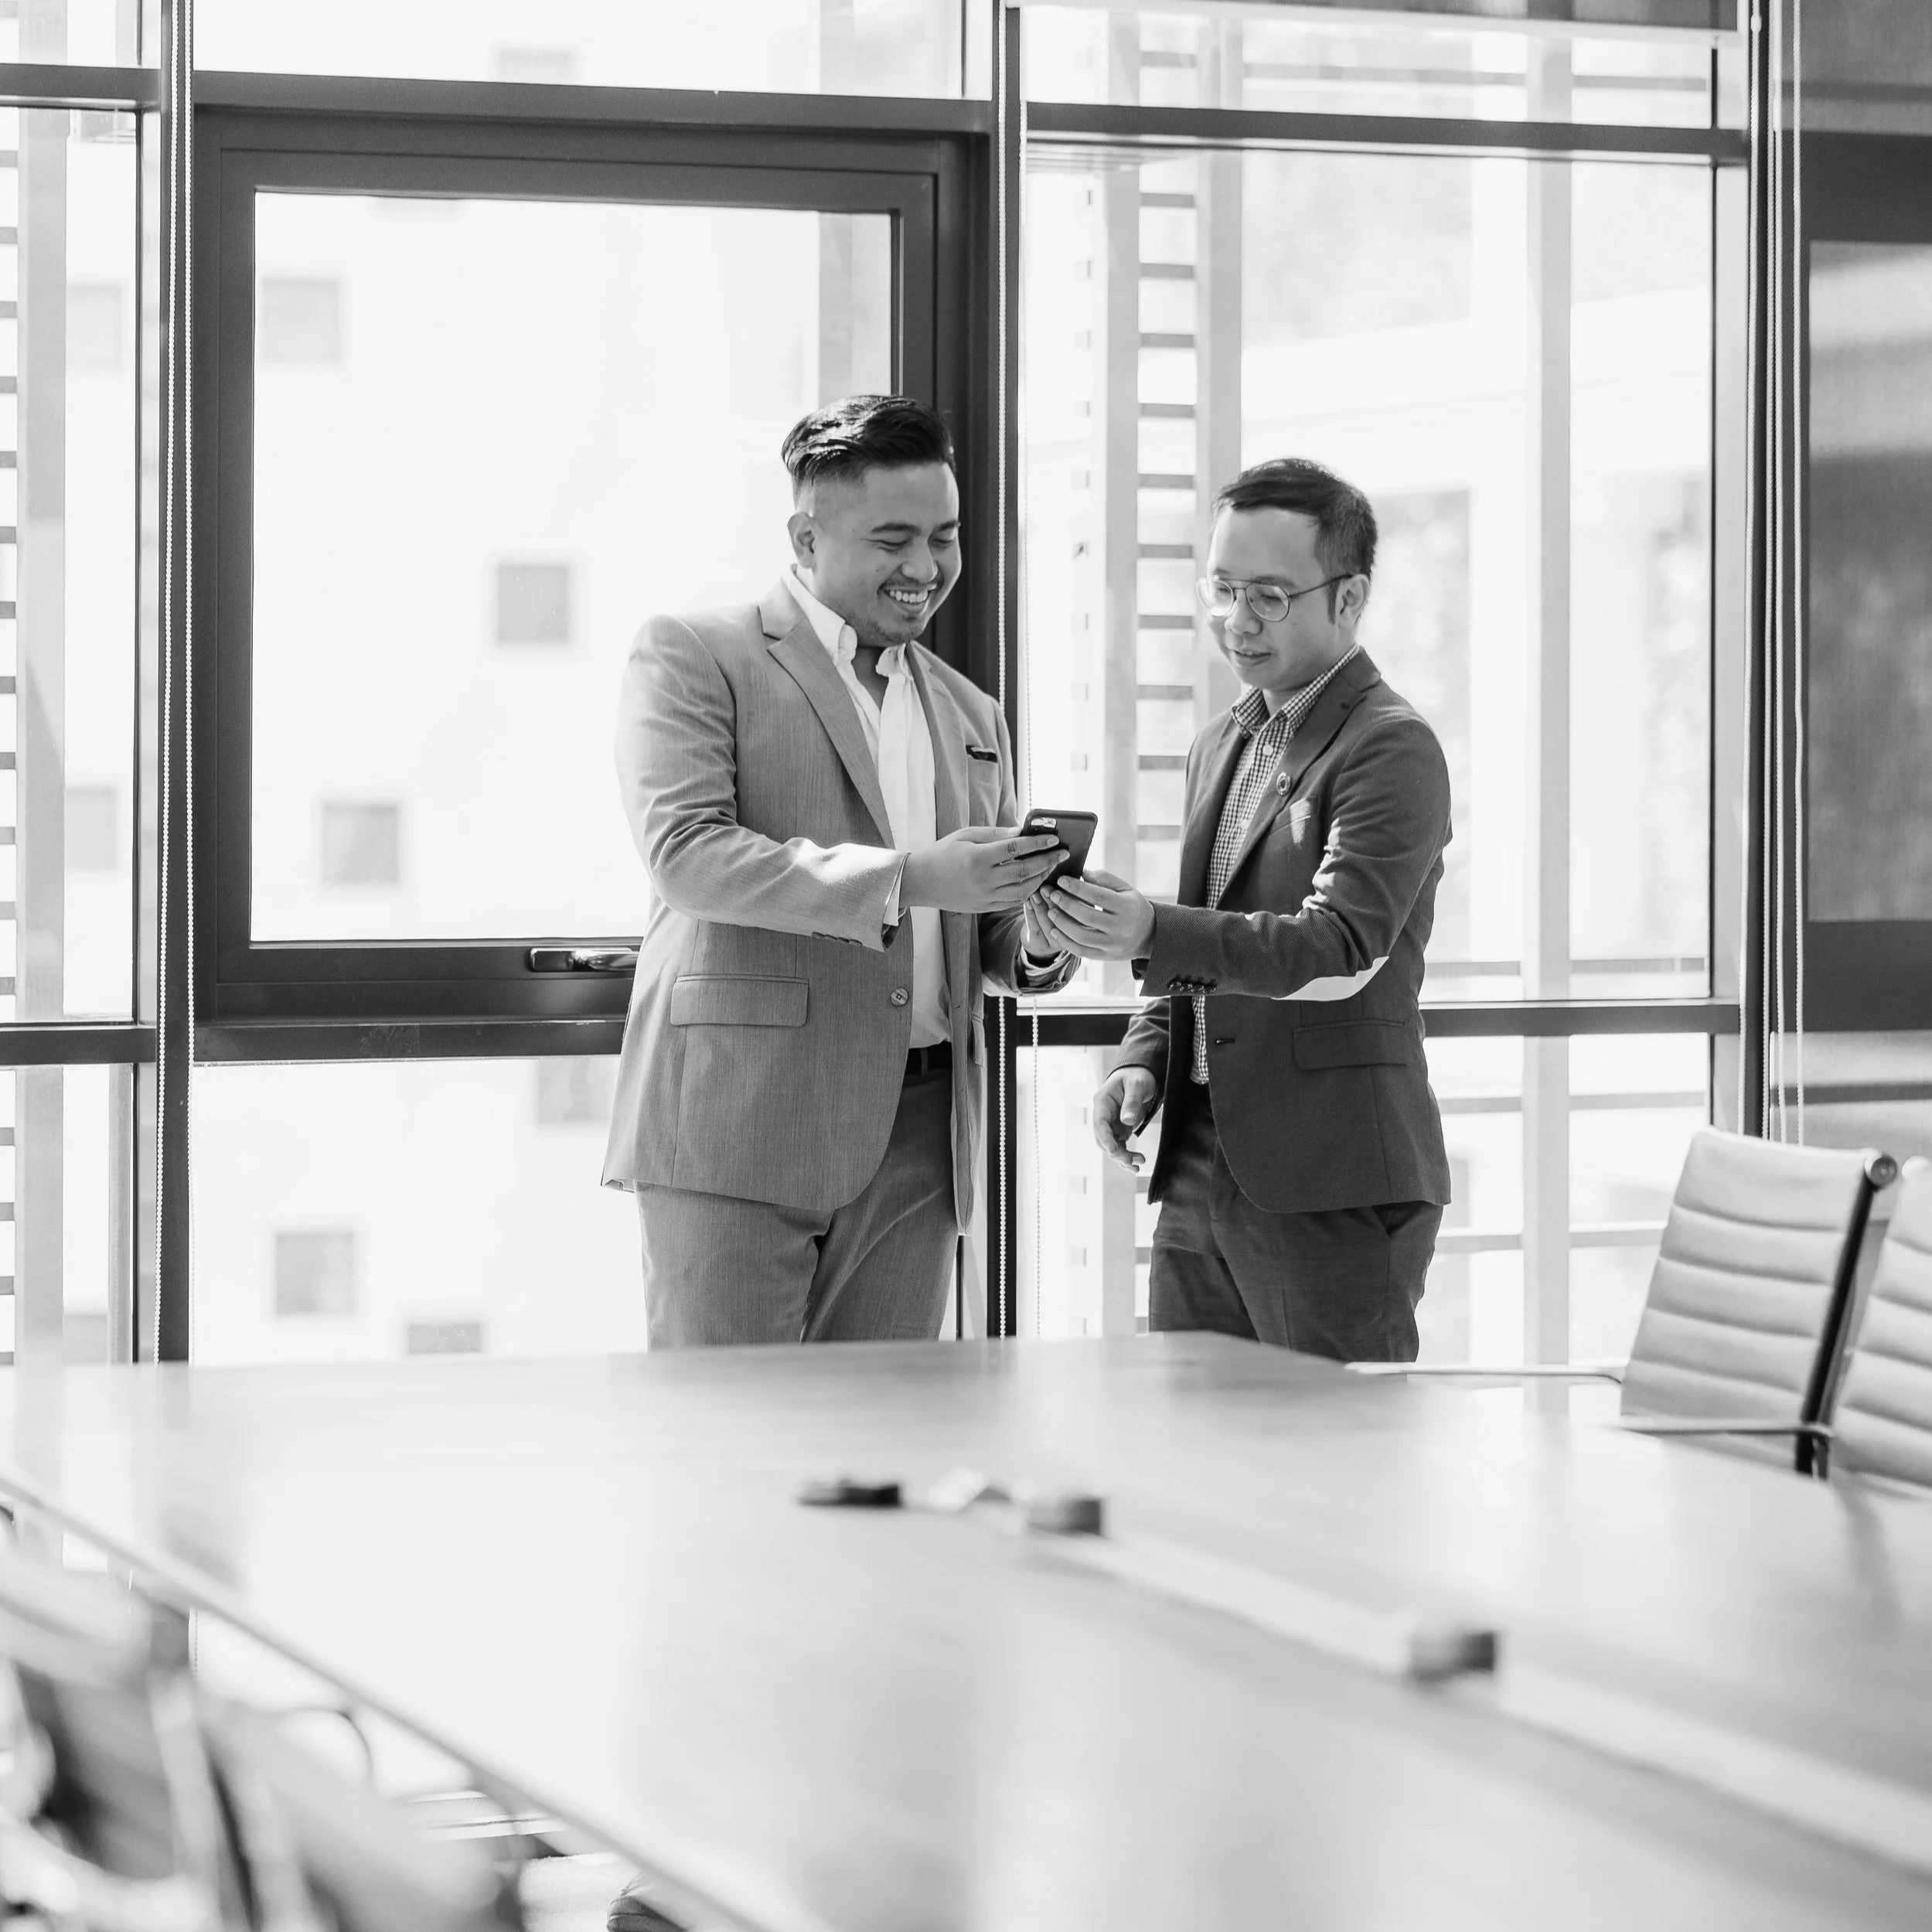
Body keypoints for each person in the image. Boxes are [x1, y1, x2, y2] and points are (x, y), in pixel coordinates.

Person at [601, 394, 1074, 1348]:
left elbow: (974, 934)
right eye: (892, 538)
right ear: (805, 536)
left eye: (944, 537)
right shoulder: (696, 655)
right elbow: (689, 856)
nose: (926, 568)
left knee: (882, 1455)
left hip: (926, 1136)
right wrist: (909, 878)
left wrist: (1038, 938)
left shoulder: (973, 713)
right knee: (730, 1450)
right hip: (744, 1119)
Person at [1038, 458, 1452, 1362]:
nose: (1237, 620)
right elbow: (1208, 932)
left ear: (1349, 599)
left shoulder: (1391, 747)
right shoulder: (1222, 741)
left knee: (1335, 1470)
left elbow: (1340, 947)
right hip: (1197, 1163)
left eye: (1268, 594)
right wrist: (1146, 1057)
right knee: (1201, 1461)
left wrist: (1149, 929)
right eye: (1222, 589)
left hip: (1328, 1174)